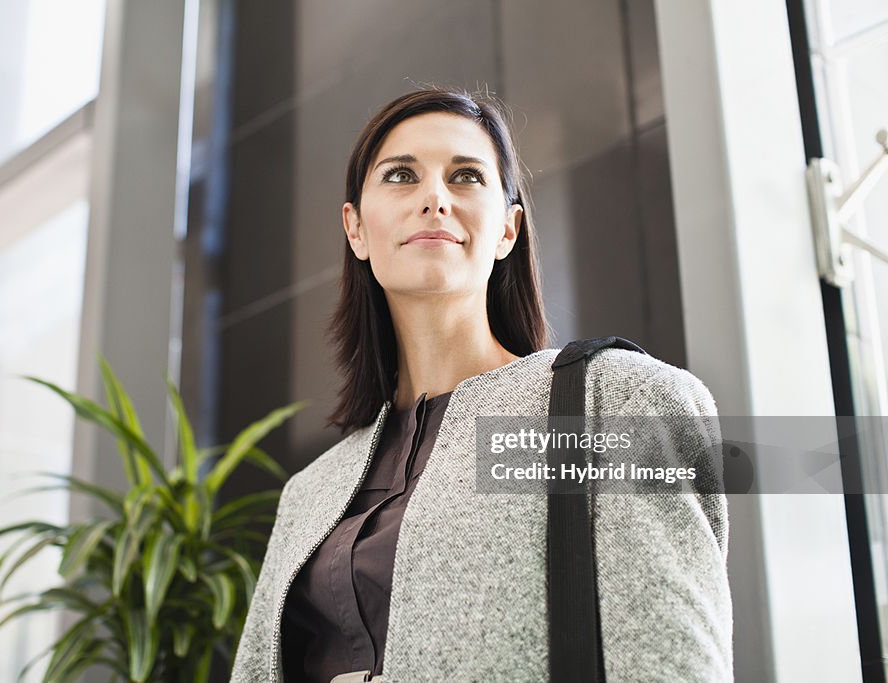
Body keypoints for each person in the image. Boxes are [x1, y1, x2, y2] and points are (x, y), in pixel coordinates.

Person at [229, 86, 733, 683]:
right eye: (400, 176)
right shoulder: (309, 493)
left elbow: (672, 668)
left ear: (507, 231)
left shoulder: (610, 408)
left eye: (466, 176)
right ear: (356, 228)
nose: (435, 199)